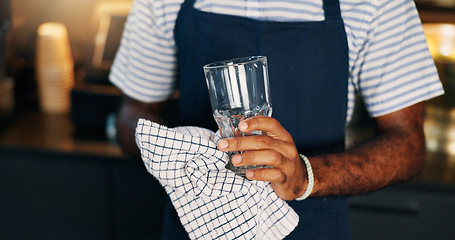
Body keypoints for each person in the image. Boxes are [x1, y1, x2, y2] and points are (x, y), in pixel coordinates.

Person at [110, 0, 444, 239]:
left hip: (313, 224)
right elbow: (131, 113)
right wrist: (184, 152)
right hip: (194, 223)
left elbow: (408, 143)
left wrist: (305, 176)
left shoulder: (377, 4)